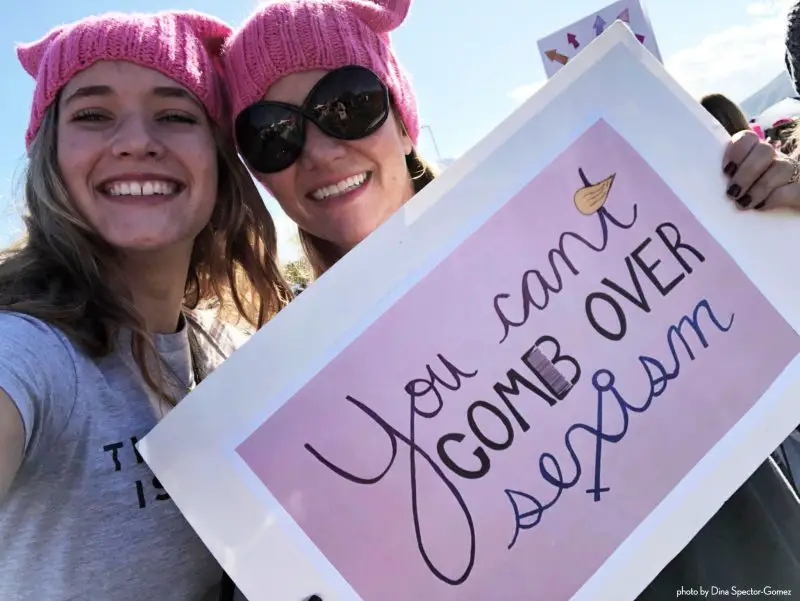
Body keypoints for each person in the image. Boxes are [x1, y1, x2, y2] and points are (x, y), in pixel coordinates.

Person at [222, 0, 800, 596]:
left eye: (349, 103)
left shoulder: (584, 219)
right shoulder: (304, 416)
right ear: (260, 175)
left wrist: (772, 222)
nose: (318, 151)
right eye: (272, 135)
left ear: (399, 117)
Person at [0, 11, 289, 601]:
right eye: (93, 115)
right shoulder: (28, 352)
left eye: (175, 115)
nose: (135, 141)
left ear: (218, 160)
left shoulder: (229, 352)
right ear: (50, 157)